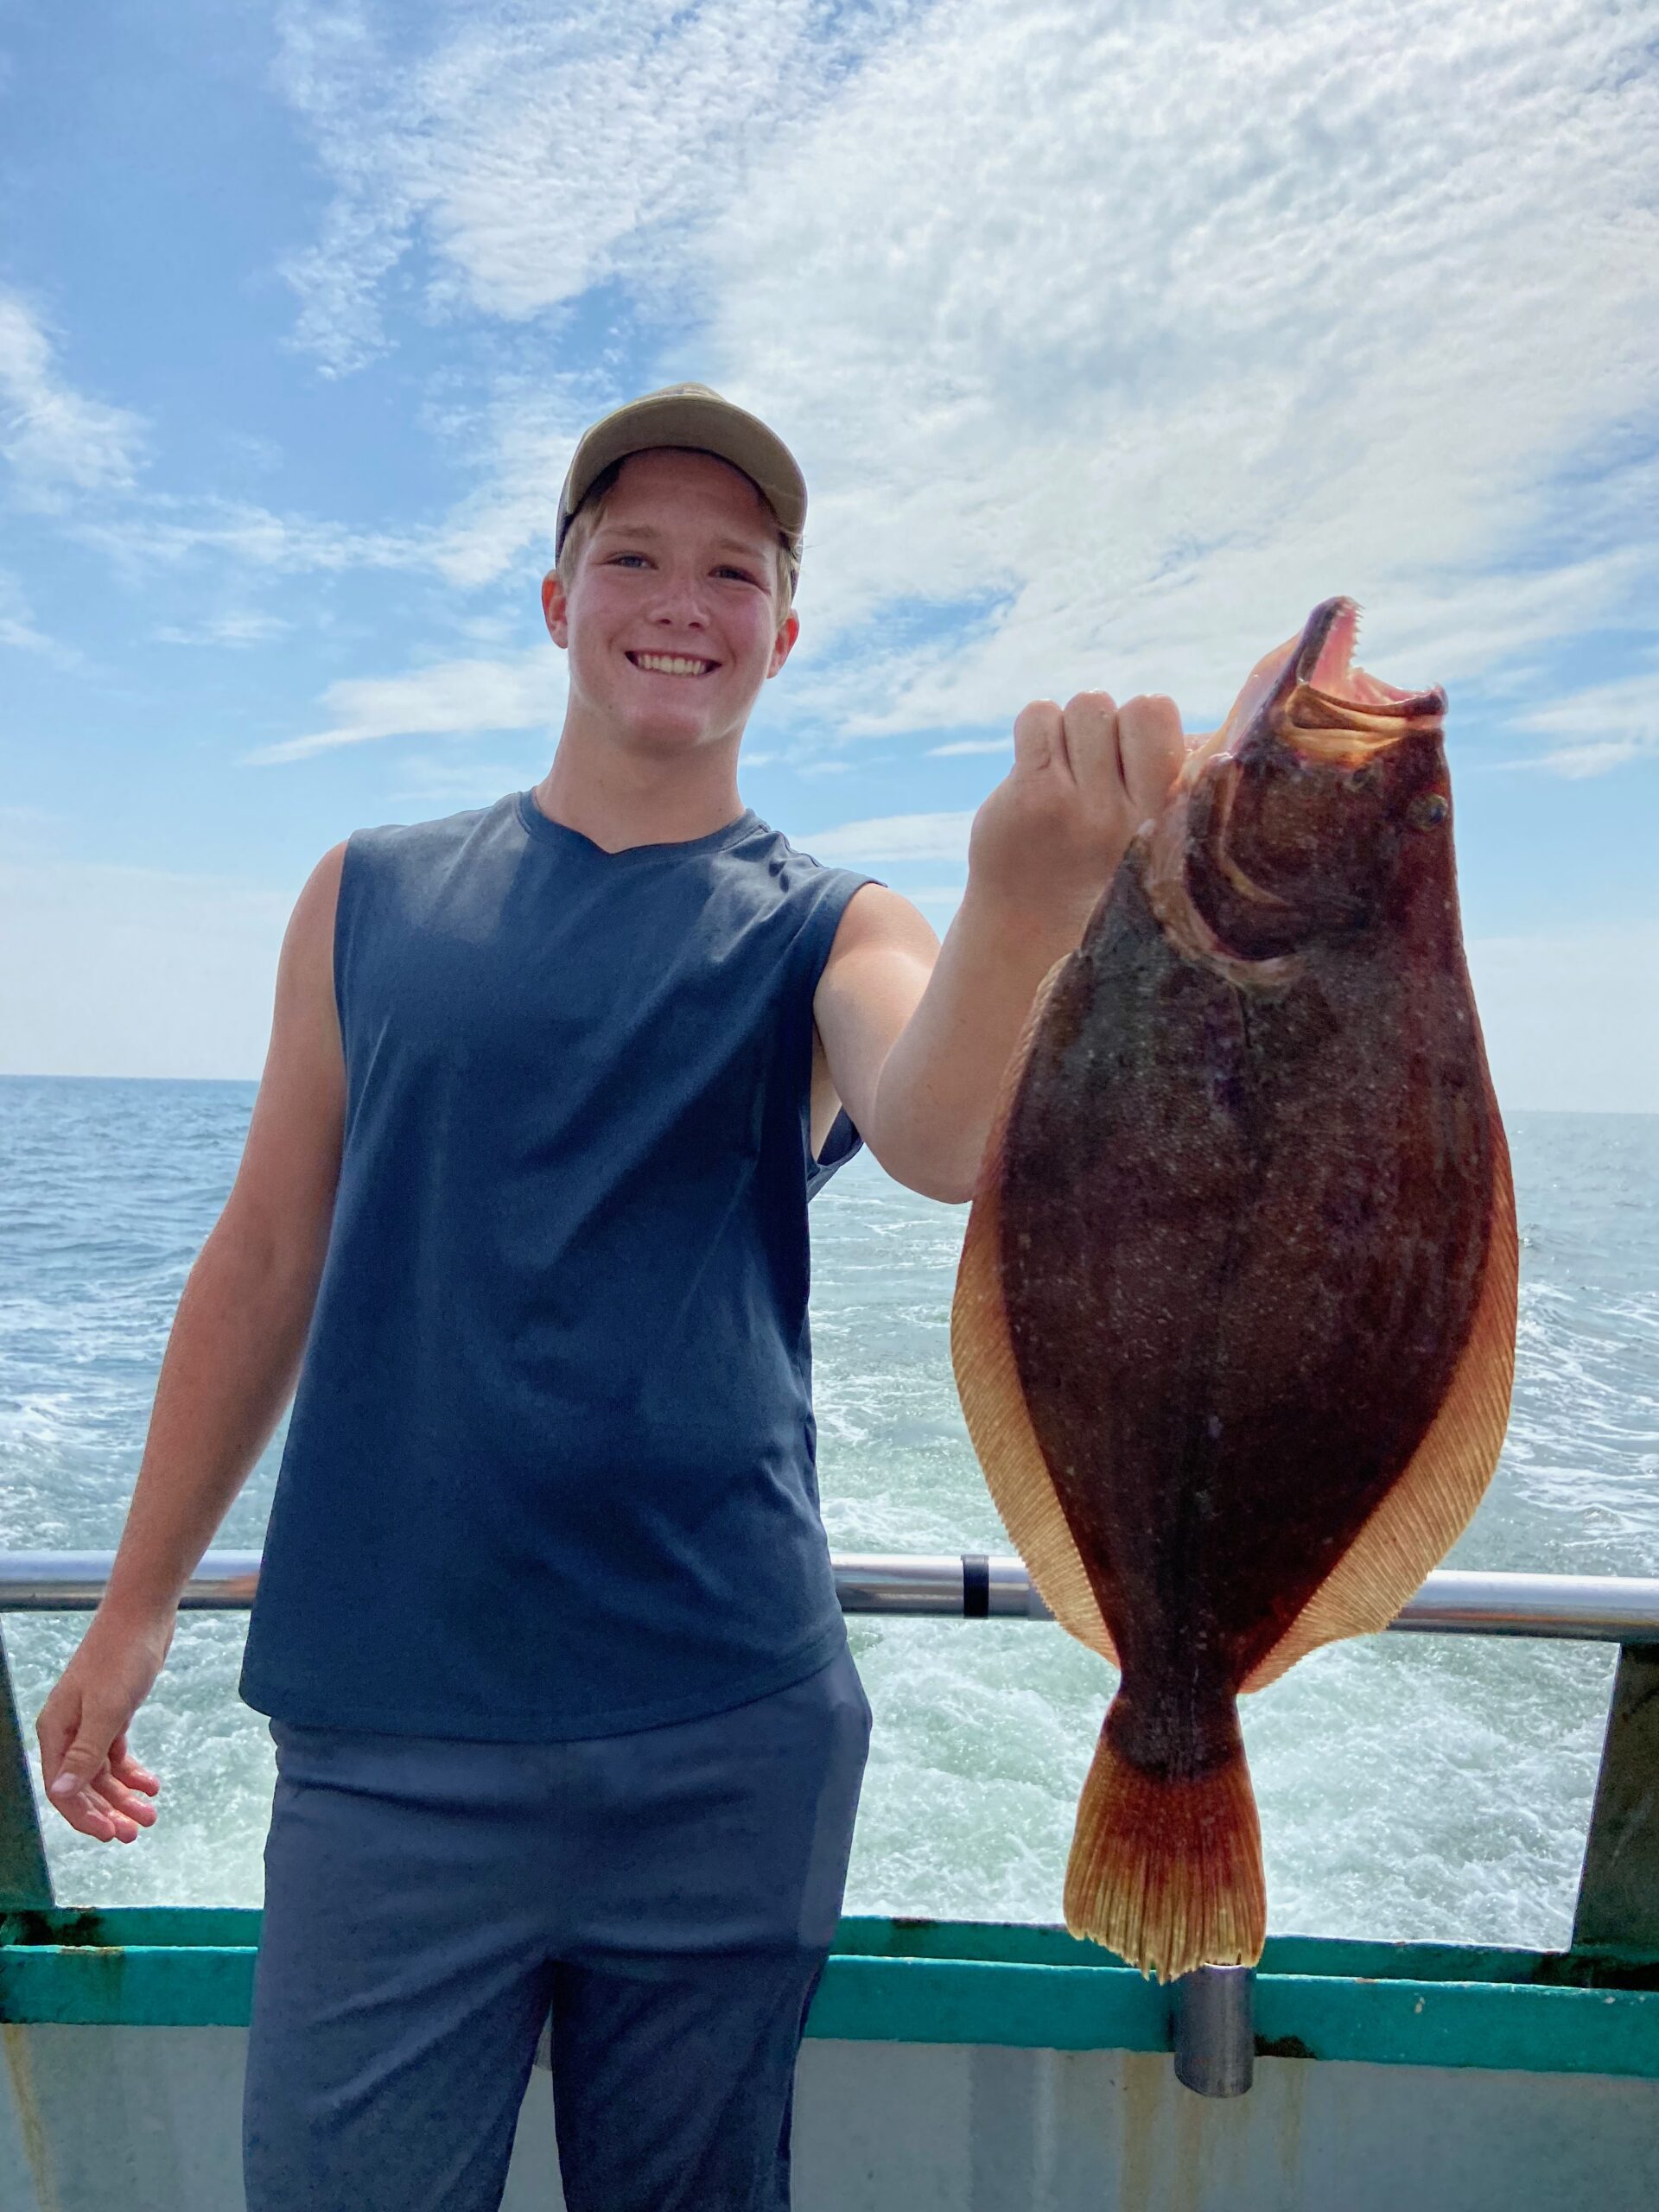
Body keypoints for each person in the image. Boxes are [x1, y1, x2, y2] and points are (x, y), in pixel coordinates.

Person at [35, 384, 1185, 2210]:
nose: (681, 596)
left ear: (785, 635)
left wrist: (1021, 905)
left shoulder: (837, 923)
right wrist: (136, 1599)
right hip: (388, 1743)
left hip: (725, 1743)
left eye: (734, 568)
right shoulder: (367, 892)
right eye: (632, 552)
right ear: (553, 597)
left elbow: (943, 1130)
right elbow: (263, 1257)